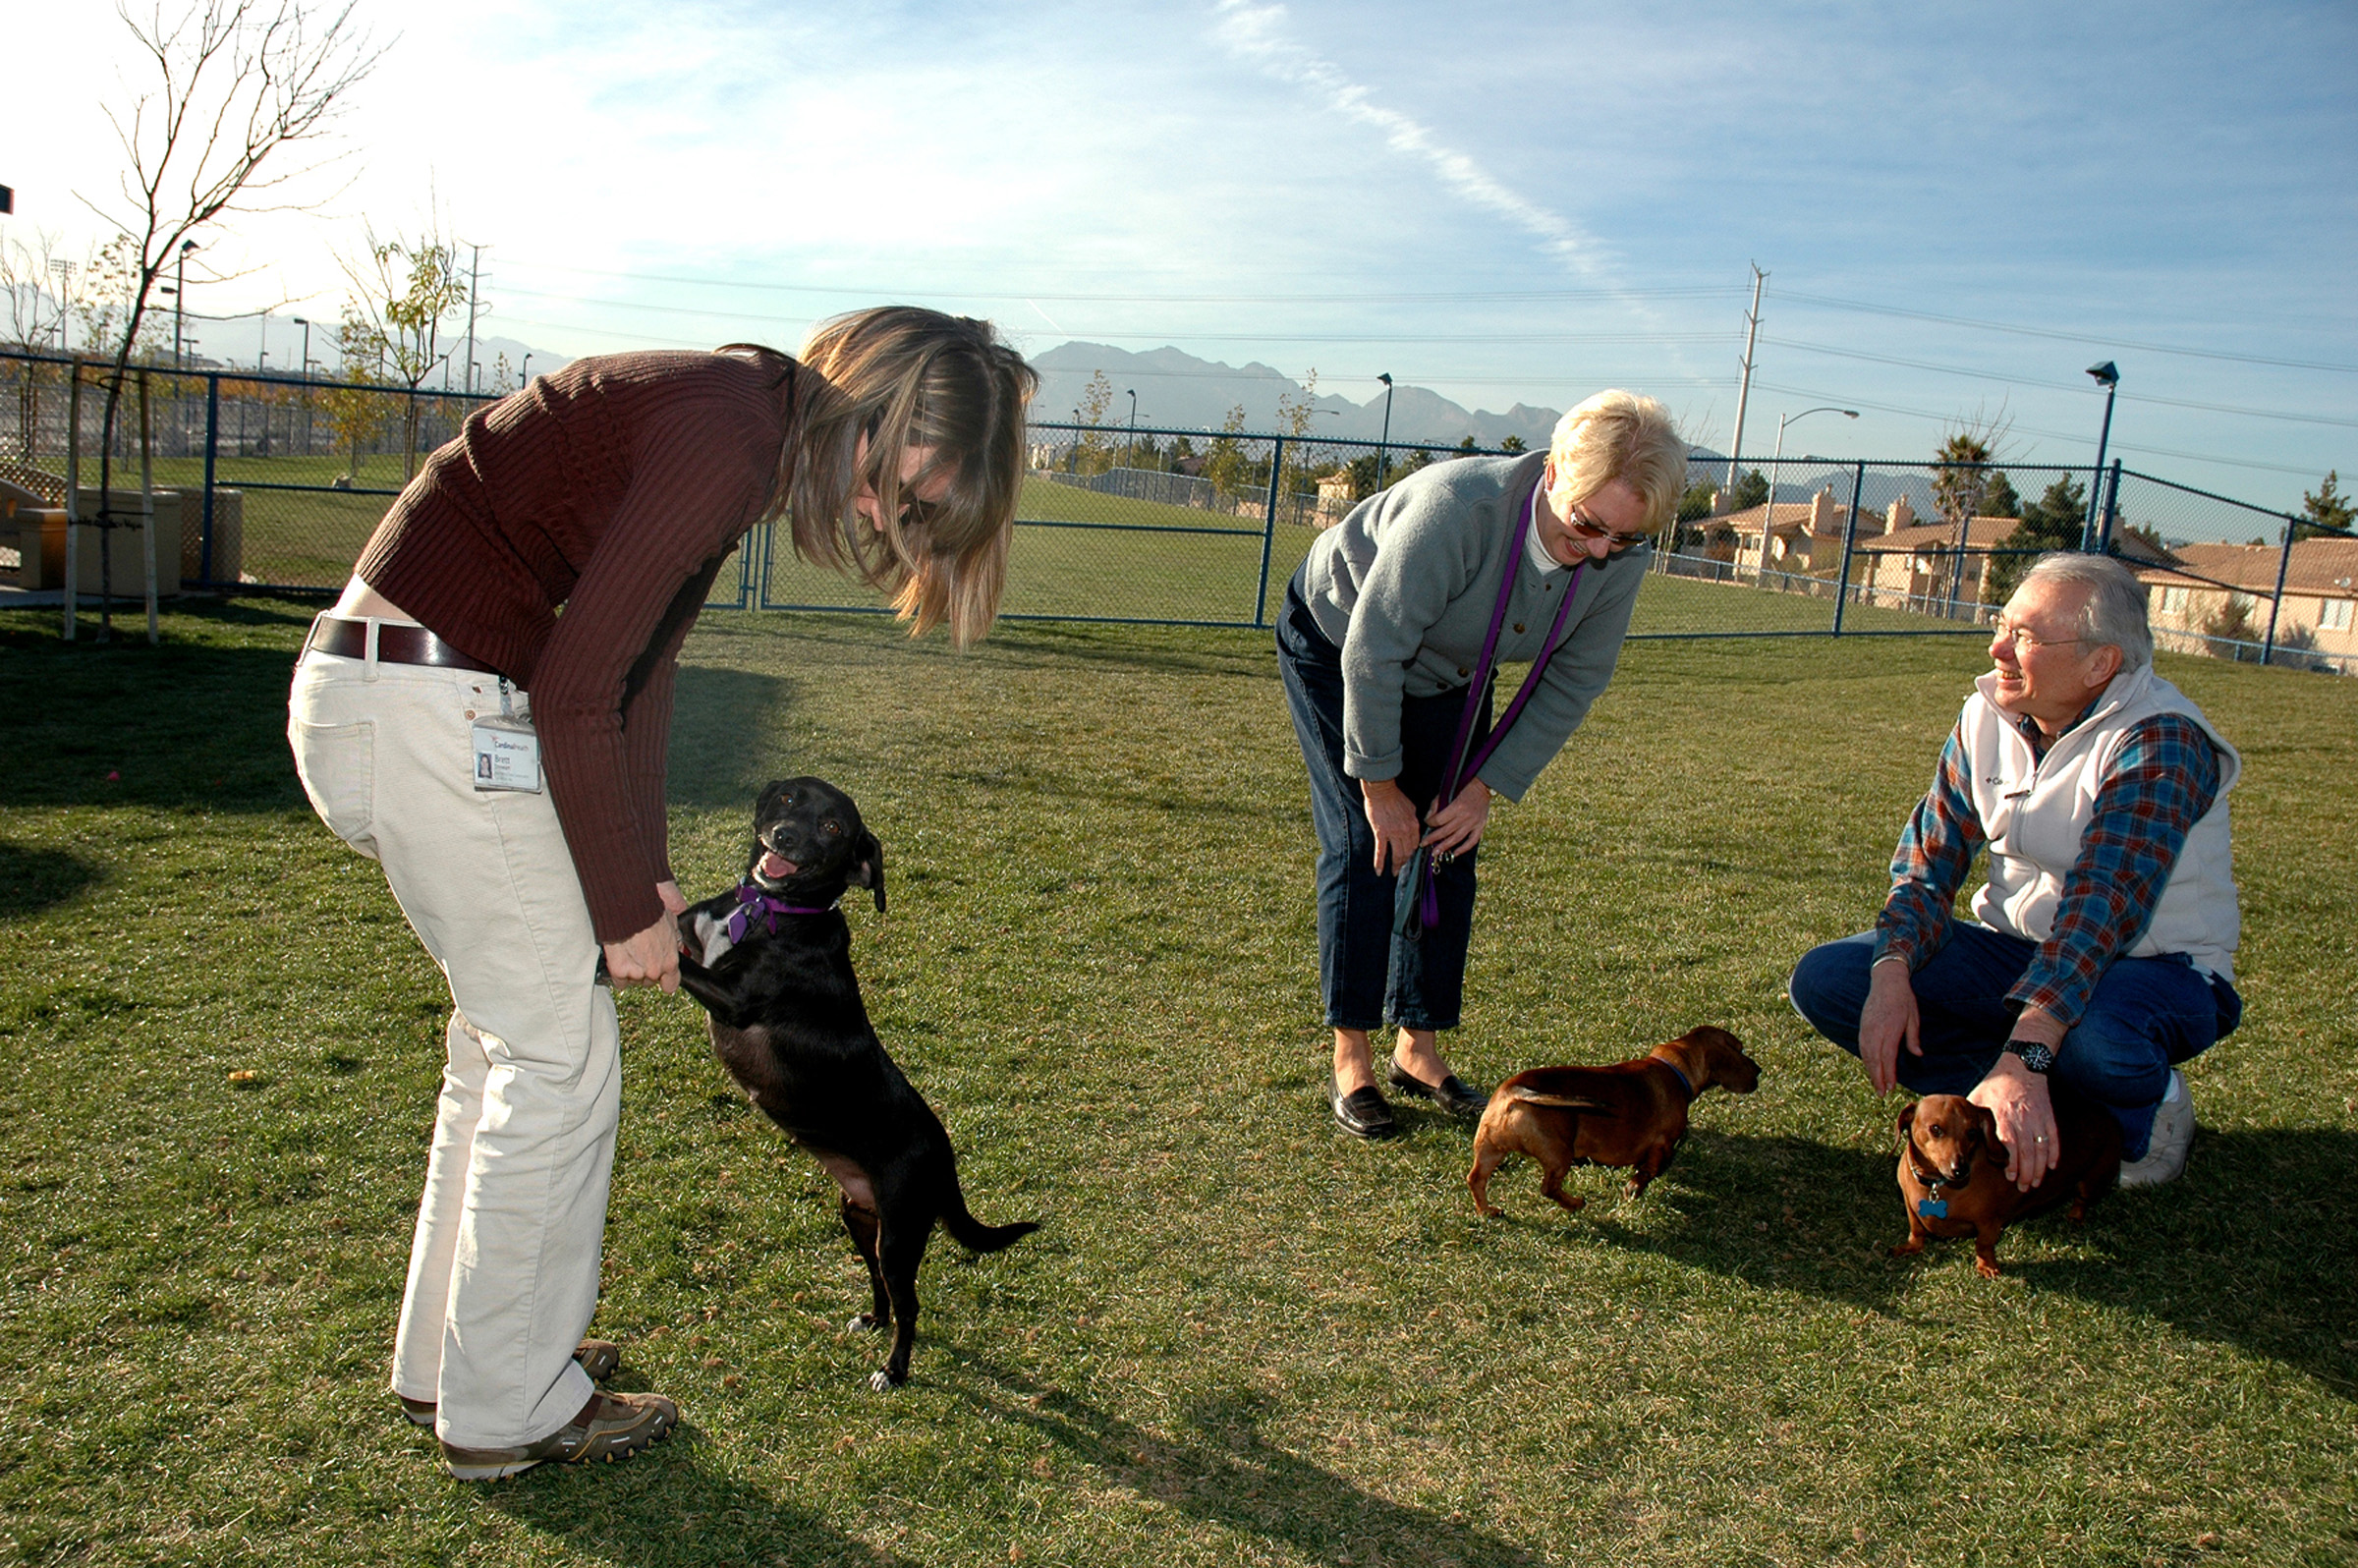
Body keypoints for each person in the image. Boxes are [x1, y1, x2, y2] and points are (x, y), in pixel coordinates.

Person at [286, 307, 1034, 1480]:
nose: (893, 520)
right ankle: (510, 1404)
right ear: (888, 409)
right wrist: (626, 908)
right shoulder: (728, 437)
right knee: (557, 1061)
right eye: (913, 491)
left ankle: (463, 1360)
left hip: (395, 696)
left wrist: (645, 875)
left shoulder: (737, 425)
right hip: (434, 707)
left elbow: (644, 677)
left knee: (502, 1050)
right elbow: (583, 685)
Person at [1277, 391, 1690, 1139]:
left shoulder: (1619, 552)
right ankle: (1352, 1060)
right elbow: (1375, 650)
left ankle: (1419, 1049)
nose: (1600, 551)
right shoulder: (1457, 509)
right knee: (1369, 843)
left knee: (1446, 847)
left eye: (1622, 539)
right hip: (1341, 644)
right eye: (1589, 525)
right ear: (1556, 469)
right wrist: (1380, 785)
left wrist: (1482, 788)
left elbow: (1575, 677)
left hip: (1454, 671)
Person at [1787, 551, 2242, 1193]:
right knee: (1834, 980)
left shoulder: (2162, 740)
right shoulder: (1987, 713)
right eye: (2001, 623)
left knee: (2096, 1038)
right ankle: (2019, 1101)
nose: (1997, 646)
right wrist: (1891, 969)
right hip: (2017, 952)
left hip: (2155, 970)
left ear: (2099, 663)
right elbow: (1928, 861)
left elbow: (2102, 909)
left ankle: (2148, 1102)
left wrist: (2030, 1046)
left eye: (2024, 636)